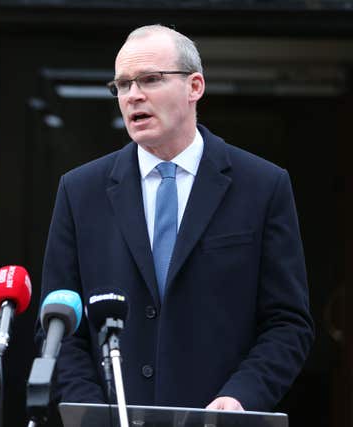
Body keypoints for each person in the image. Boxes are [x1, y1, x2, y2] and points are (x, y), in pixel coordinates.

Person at [38, 24, 314, 413]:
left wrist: (241, 397)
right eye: (122, 84)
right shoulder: (80, 191)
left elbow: (288, 323)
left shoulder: (262, 185)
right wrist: (91, 413)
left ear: (195, 86)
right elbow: (58, 326)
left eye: (150, 79)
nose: (133, 95)